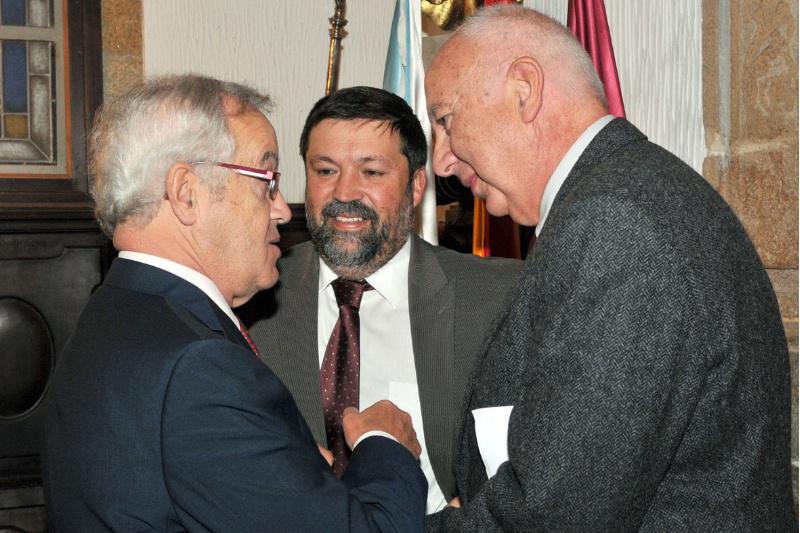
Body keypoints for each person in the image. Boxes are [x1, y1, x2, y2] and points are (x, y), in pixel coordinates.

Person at [423, 6, 796, 531]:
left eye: (445, 120)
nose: (442, 161)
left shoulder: (616, 222)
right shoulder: (631, 194)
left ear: (524, 89)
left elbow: (556, 516)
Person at [43, 74, 427, 532]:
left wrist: (292, 474)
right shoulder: (197, 367)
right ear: (186, 192)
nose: (284, 209)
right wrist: (386, 445)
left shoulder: (114, 311)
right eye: (266, 179)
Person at [242, 86, 522, 514]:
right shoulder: (250, 299)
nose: (345, 193)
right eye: (325, 171)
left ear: (415, 187)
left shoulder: (496, 299)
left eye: (371, 173)